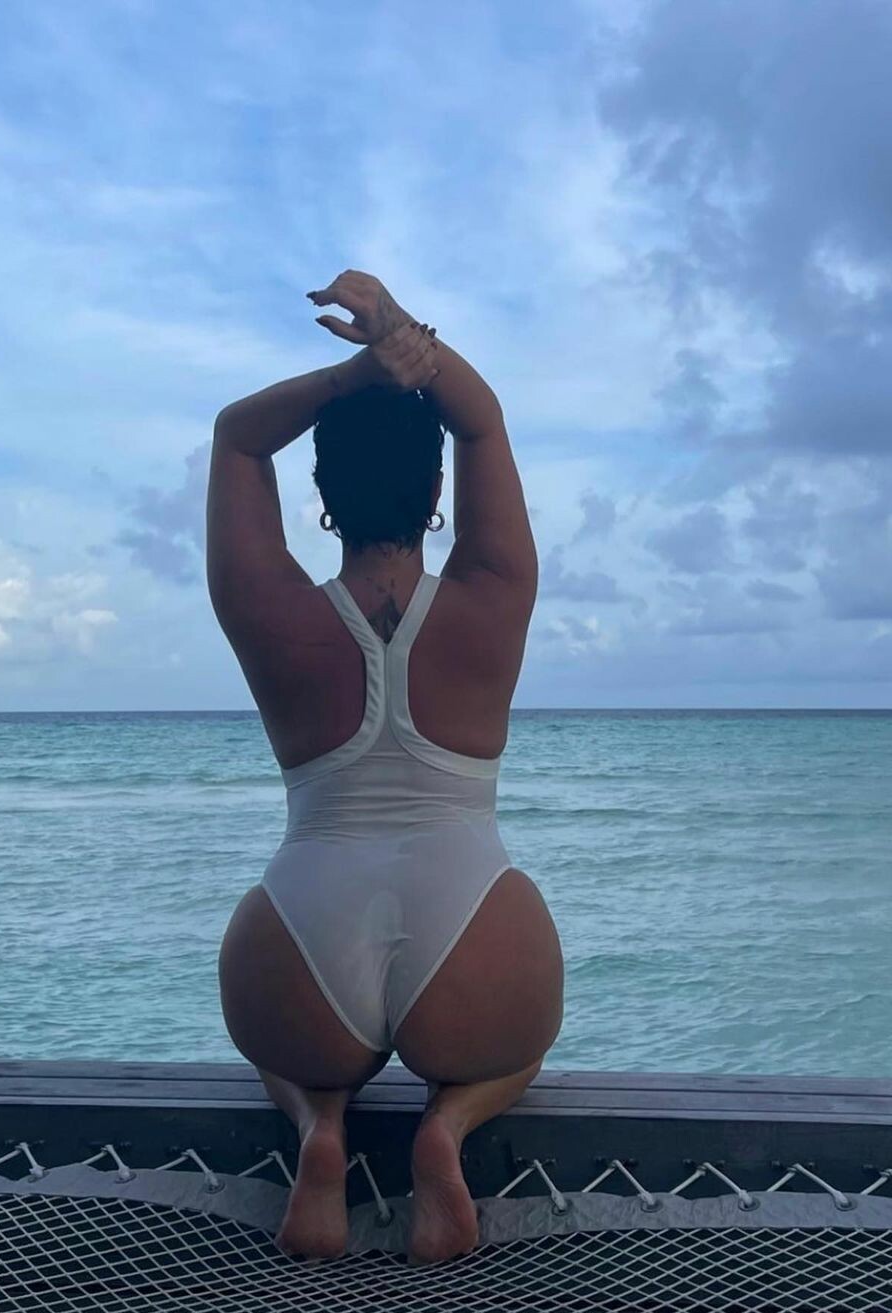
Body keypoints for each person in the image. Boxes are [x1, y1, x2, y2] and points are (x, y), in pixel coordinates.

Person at [206, 270, 563, 1265]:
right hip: (474, 930)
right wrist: (401, 335)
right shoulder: (494, 594)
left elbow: (237, 435)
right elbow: (483, 419)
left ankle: (318, 1123)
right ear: (439, 493)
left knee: (288, 1062)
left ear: (322, 498)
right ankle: (447, 1127)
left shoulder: (270, 611)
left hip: (300, 935)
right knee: (521, 1052)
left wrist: (351, 376)